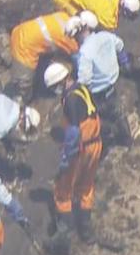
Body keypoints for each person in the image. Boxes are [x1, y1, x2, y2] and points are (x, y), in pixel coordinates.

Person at [43, 62, 104, 244]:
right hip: (96, 144)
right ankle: (86, 232)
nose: (54, 90)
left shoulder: (70, 100)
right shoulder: (82, 88)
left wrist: (64, 161)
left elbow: (73, 133)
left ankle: (64, 238)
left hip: (80, 148)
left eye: (54, 86)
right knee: (86, 186)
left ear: (61, 81)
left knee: (63, 191)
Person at [72, 11, 131, 144]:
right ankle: (127, 139)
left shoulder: (85, 52)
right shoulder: (106, 36)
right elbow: (120, 45)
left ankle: (107, 137)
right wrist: (125, 61)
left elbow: (85, 80)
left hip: (98, 93)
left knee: (99, 117)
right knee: (118, 113)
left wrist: (76, 92)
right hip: (113, 85)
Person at [7, 11, 83, 102]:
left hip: (21, 30)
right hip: (23, 47)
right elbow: (80, 62)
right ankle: (20, 104)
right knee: (23, 84)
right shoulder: (70, 41)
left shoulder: (64, 16)